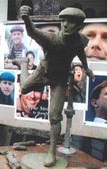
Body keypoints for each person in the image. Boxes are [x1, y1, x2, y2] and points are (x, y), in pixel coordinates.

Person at [18, 6, 94, 167]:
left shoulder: (80, 40)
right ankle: (23, 63)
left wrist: (86, 67)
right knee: (24, 88)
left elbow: (80, 51)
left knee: (54, 116)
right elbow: (32, 32)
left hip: (59, 79)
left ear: (79, 26)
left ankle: (51, 152)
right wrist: (26, 18)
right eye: (63, 20)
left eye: (71, 22)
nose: (66, 24)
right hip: (43, 72)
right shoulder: (51, 38)